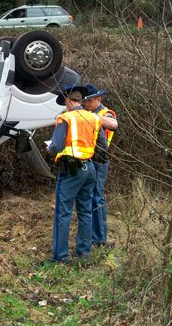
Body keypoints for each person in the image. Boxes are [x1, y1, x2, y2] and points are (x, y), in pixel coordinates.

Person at [47, 84, 107, 263]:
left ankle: (60, 258)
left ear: (67, 101)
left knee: (63, 213)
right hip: (89, 169)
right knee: (85, 211)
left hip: (71, 171)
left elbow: (56, 146)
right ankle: (84, 254)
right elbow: (102, 147)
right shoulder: (94, 118)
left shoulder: (65, 118)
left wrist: (49, 147)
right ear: (80, 100)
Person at [83, 84, 118, 247]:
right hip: (88, 158)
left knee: (97, 197)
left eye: (89, 101)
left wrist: (90, 117)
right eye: (85, 102)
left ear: (98, 99)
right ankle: (92, 235)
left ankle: (99, 238)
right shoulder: (88, 113)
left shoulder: (105, 113)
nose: (86, 104)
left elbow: (113, 124)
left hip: (100, 160)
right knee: (89, 197)